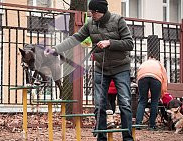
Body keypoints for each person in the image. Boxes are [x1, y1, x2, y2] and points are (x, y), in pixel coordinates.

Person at [44, 0, 134, 140]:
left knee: (125, 103)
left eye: (93, 12)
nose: (91, 15)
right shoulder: (90, 23)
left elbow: (129, 43)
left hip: (121, 67)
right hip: (100, 67)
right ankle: (101, 137)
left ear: (101, 11)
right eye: (90, 12)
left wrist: (110, 42)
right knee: (99, 104)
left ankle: (128, 138)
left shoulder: (118, 21)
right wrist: (56, 48)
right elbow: (76, 38)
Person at [135, 54, 168, 130]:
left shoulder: (144, 63)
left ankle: (138, 124)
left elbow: (138, 76)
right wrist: (162, 94)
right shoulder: (159, 64)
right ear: (155, 59)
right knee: (154, 102)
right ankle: (152, 125)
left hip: (142, 78)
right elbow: (164, 79)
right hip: (156, 78)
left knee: (142, 101)